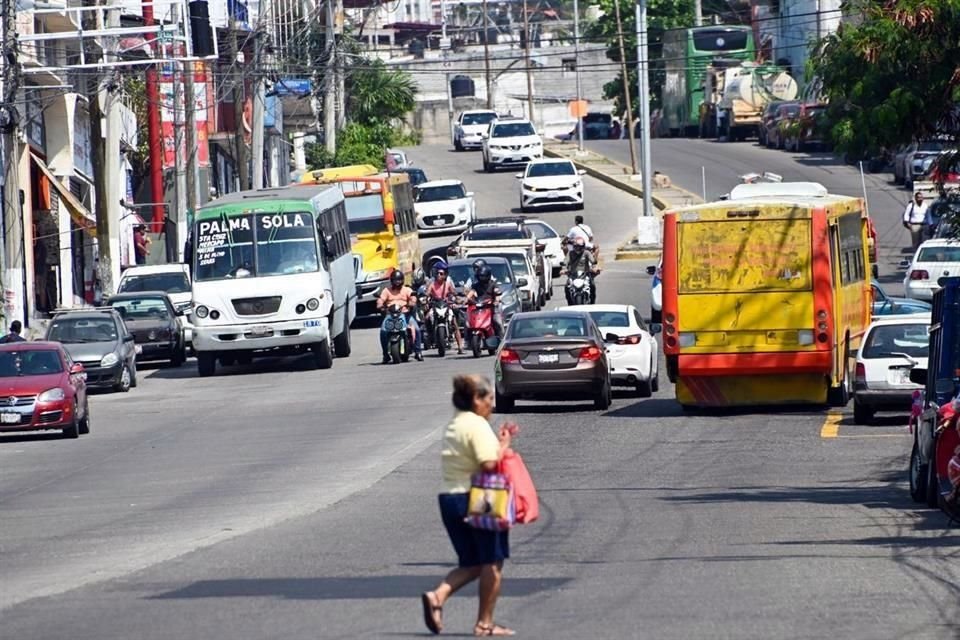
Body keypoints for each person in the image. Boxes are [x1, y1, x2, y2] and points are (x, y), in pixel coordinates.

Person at [420, 374, 516, 637]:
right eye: (489, 399)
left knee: (472, 563)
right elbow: (488, 463)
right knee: (492, 563)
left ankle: (437, 597)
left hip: (448, 498)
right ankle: (484, 623)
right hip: (475, 499)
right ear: (476, 399)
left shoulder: (456, 422)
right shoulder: (476, 425)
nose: (492, 406)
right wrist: (504, 445)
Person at [376, 270, 422, 362]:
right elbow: (380, 300)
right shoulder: (386, 291)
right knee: (383, 332)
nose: (397, 282)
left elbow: (413, 297)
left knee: (416, 329)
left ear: (402, 280)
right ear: (392, 281)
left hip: (405, 314)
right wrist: (380, 305)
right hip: (390, 315)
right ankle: (385, 354)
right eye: (395, 280)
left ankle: (418, 352)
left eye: (399, 280)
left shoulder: (407, 290)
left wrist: (412, 302)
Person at [425, 262, 463, 354]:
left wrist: (457, 298)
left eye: (441, 274)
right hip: (435, 306)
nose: (439, 275)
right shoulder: (432, 284)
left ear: (445, 274)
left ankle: (460, 346)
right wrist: (425, 300)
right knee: (426, 318)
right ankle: (429, 336)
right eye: (437, 273)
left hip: (446, 305)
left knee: (454, 323)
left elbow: (454, 293)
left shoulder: (448, 284)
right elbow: (427, 293)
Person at [466, 266, 503, 338]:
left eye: (483, 276)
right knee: (467, 322)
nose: (481, 278)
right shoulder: (476, 285)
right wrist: (466, 299)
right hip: (480, 308)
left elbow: (497, 292)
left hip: (491, 307)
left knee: (497, 322)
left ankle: (501, 340)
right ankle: (467, 340)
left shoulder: (493, 284)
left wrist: (496, 300)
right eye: (480, 276)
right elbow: (471, 293)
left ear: (488, 276)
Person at [565, 237, 599, 304]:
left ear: (583, 247)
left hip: (585, 274)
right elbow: (565, 261)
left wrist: (594, 267)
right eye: (576, 247)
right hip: (573, 275)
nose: (578, 249)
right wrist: (563, 269)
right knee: (566, 287)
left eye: (579, 247)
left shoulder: (586, 253)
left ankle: (592, 302)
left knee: (592, 285)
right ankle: (569, 302)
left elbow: (592, 260)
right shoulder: (570, 253)